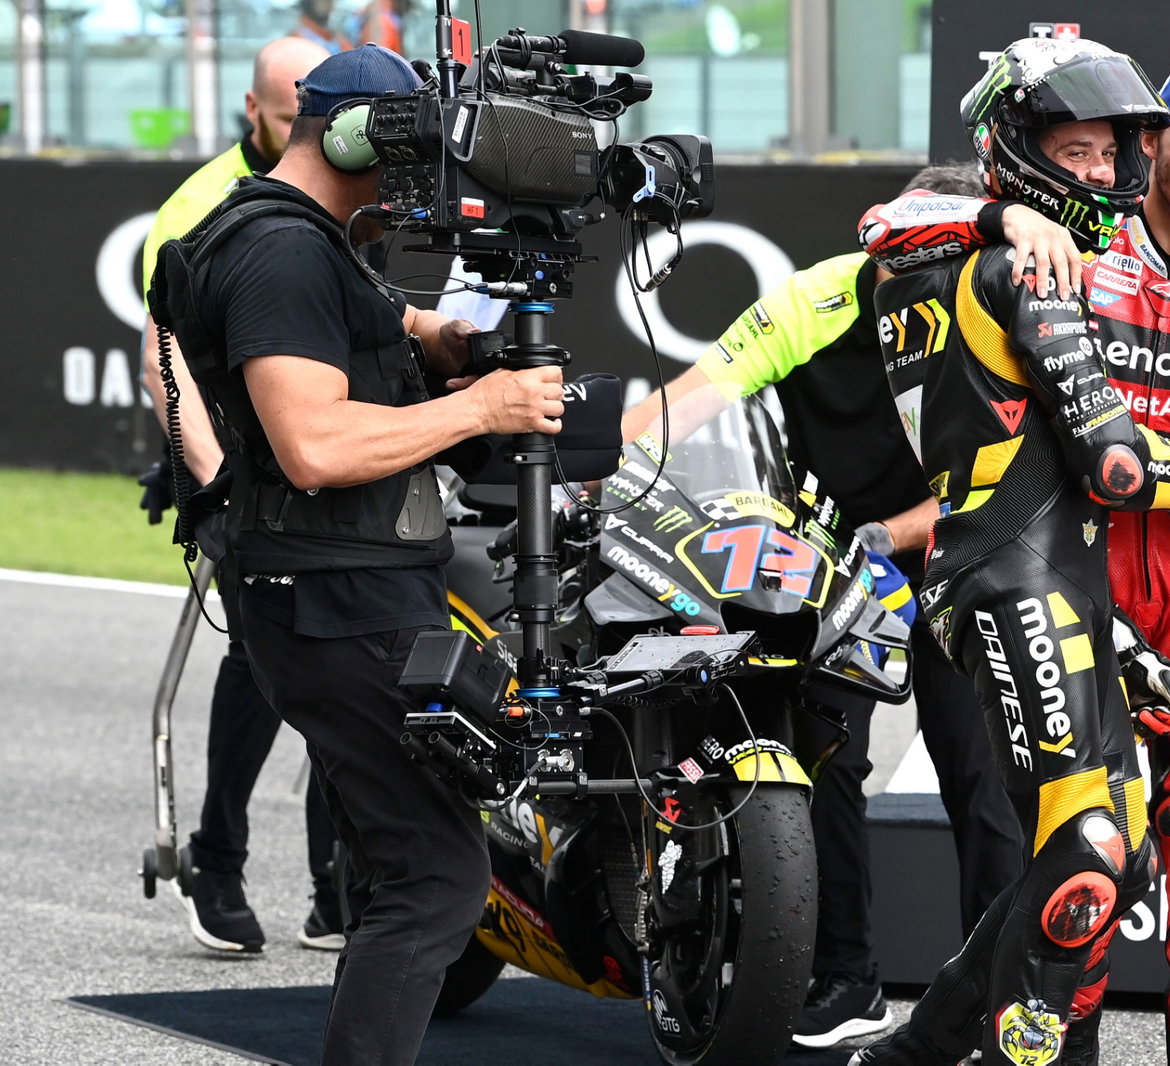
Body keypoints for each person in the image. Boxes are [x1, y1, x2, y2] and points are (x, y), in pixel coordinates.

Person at [859, 52, 1170, 1066]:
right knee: (1085, 856)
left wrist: (1142, 459)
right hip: (1073, 559)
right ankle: (1044, 1049)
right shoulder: (1063, 243)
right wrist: (997, 219)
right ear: (1153, 141)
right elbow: (884, 228)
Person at [147, 44, 566, 1064]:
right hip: (340, 604)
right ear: (349, 136)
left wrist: (440, 342)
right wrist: (484, 404)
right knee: (434, 876)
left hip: (341, 594)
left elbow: (362, 340)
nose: (425, 172)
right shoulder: (282, 253)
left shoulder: (304, 241)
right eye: (413, 145)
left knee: (395, 875)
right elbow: (316, 444)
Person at [619, 164, 1027, 1050]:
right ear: (883, 239)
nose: (924, 269)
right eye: (910, 250)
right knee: (819, 761)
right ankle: (848, 981)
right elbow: (691, 398)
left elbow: (1002, 483)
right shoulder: (819, 295)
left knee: (980, 774)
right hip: (836, 557)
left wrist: (898, 530)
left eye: (947, 256)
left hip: (958, 551)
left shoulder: (986, 309)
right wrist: (605, 477)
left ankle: (999, 1001)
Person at [138, 33, 342, 955]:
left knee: (358, 658)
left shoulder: (348, 179)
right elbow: (163, 351)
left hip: (328, 456)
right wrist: (215, 477)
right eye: (291, 106)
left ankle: (339, 886)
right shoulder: (199, 204)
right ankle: (216, 859)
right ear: (255, 110)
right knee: (261, 664)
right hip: (237, 464)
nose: (308, 121)